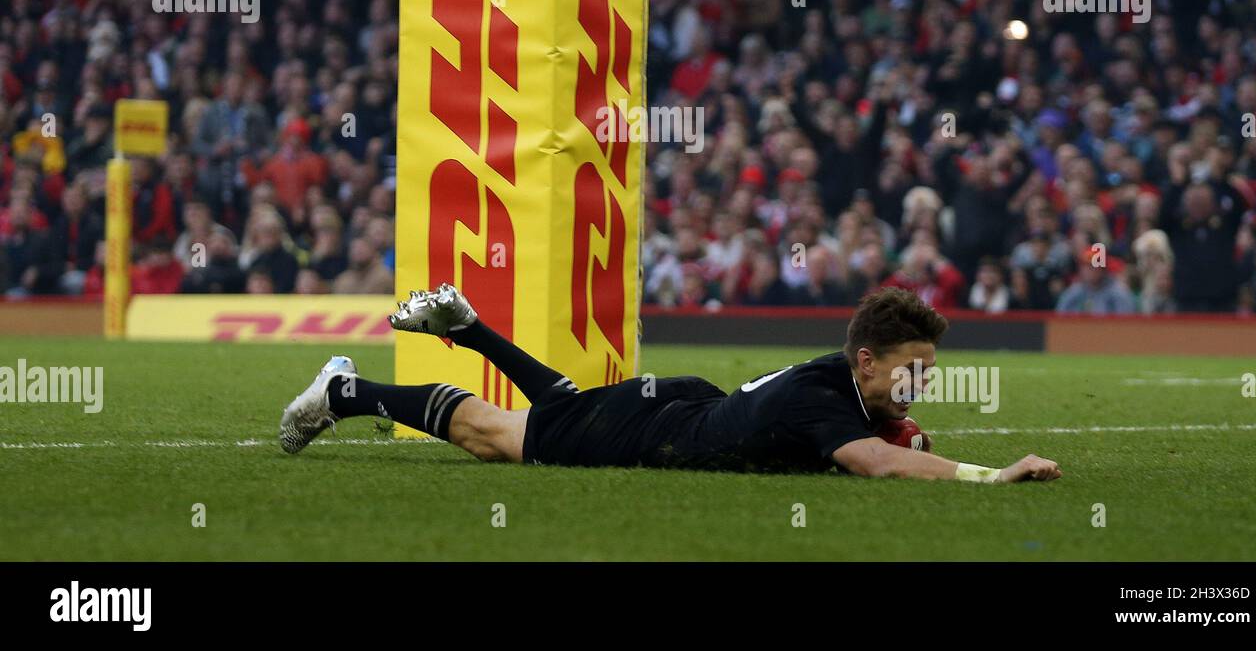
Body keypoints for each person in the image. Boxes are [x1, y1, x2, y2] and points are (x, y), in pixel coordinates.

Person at [279, 285, 1061, 483]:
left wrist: (904, 427)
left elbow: (887, 439)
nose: (922, 383)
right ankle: (343, 393)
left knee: (560, 411)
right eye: (912, 370)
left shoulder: (847, 390)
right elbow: (875, 460)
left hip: (685, 409)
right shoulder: (829, 399)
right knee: (496, 437)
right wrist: (992, 474)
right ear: (866, 361)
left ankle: (468, 329)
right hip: (658, 430)